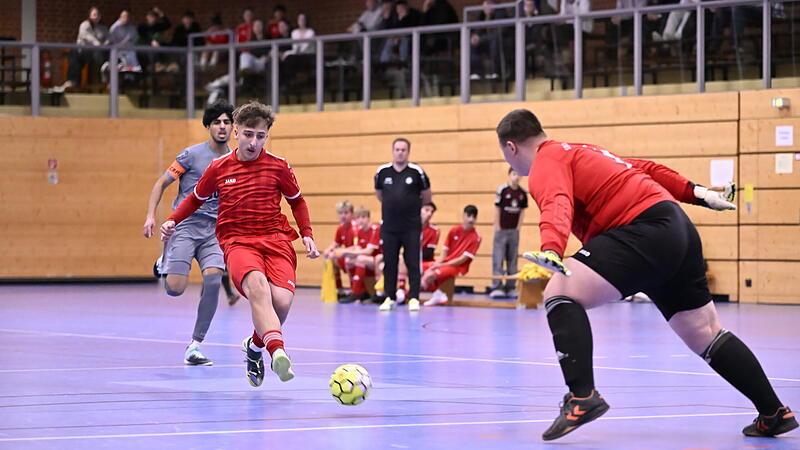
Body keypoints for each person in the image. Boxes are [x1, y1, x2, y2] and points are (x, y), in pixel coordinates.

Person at [496, 109, 798, 441]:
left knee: (560, 291)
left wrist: (551, 247)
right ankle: (773, 412)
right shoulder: (583, 150)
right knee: (704, 331)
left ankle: (582, 396)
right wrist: (697, 192)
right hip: (677, 228)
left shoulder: (545, 163)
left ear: (511, 148)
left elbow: (556, 201)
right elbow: (646, 169)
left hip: (643, 230)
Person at [161, 100, 319, 387]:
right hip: (238, 241)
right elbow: (195, 197)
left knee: (281, 303)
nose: (253, 142)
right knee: (258, 287)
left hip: (276, 240)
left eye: (260, 136)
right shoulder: (219, 167)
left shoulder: (279, 166)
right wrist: (173, 219)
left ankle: (255, 347)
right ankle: (277, 352)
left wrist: (307, 233)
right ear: (236, 131)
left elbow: (297, 202)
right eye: (248, 134)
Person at [142, 101, 235, 366]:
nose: (222, 126)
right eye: (216, 122)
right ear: (208, 126)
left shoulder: (235, 161)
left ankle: (195, 345)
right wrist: (151, 216)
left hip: (213, 231)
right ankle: (163, 264)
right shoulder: (191, 155)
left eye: (227, 122)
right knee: (175, 290)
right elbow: (161, 183)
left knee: (215, 279)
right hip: (185, 226)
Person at [374, 138, 432, 312]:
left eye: (403, 150)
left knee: (412, 261)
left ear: (408, 152)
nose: (400, 152)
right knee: (390, 262)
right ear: (393, 151)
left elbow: (427, 196)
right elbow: (380, 194)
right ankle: (389, 297)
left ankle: (413, 297)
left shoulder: (417, 172)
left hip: (411, 227)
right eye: (397, 149)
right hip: (390, 227)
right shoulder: (382, 172)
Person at [422, 205, 482, 306]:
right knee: (418, 267)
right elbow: (444, 252)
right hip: (445, 263)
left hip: (457, 267)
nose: (471, 219)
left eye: (474, 217)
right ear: (464, 216)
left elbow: (462, 259)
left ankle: (436, 294)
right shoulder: (454, 230)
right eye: (469, 216)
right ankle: (437, 294)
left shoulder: (476, 237)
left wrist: (441, 266)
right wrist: (437, 263)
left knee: (429, 275)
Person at [490, 167, 528, 298]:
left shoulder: (522, 193)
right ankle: (497, 286)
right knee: (498, 258)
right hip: (501, 230)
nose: (516, 177)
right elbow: (497, 208)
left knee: (512, 259)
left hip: (514, 231)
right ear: (509, 175)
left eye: (518, 174)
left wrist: (518, 227)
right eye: (514, 174)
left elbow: (522, 211)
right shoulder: (502, 190)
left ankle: (511, 287)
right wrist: (498, 226)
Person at [55, 7, 109, 92]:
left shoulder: (103, 28)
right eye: (94, 14)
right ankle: (73, 81)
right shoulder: (85, 25)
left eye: (98, 15)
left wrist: (106, 44)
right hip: (83, 50)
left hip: (97, 52)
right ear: (90, 15)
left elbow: (108, 38)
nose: (96, 17)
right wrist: (96, 42)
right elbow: (86, 36)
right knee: (74, 55)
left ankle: (106, 76)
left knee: (104, 55)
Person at [336, 207, 382, 304]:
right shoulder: (361, 231)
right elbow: (358, 248)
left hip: (378, 259)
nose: (360, 220)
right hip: (369, 260)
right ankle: (361, 291)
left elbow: (368, 251)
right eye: (358, 218)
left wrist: (348, 252)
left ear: (368, 218)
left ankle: (355, 293)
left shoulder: (375, 229)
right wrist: (346, 252)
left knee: (360, 259)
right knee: (349, 260)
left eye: (363, 217)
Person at [322, 200, 358, 300]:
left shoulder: (355, 227)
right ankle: (339, 290)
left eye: (346, 213)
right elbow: (335, 244)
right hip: (348, 255)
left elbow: (356, 247)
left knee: (346, 259)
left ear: (352, 214)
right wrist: (328, 250)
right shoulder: (341, 228)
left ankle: (354, 290)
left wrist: (340, 252)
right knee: (331, 258)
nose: (343, 216)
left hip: (357, 256)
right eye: (341, 213)